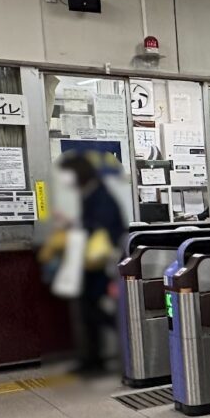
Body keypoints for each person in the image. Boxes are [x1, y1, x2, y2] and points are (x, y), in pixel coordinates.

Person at [58, 152, 126, 374]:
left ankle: (109, 356)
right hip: (91, 264)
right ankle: (93, 359)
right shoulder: (90, 193)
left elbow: (102, 228)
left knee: (98, 311)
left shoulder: (99, 194)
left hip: (100, 264)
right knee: (91, 311)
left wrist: (75, 225)